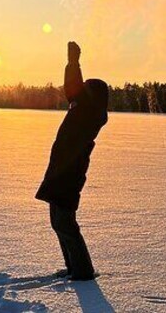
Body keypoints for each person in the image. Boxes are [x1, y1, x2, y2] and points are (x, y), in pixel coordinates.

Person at [35, 41, 109, 281]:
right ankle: (73, 267)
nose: (78, 92)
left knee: (65, 223)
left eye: (85, 89)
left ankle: (83, 271)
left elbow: (74, 88)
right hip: (60, 173)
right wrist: (72, 63)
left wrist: (74, 63)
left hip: (69, 175)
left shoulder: (90, 115)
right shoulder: (81, 109)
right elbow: (72, 89)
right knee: (59, 223)